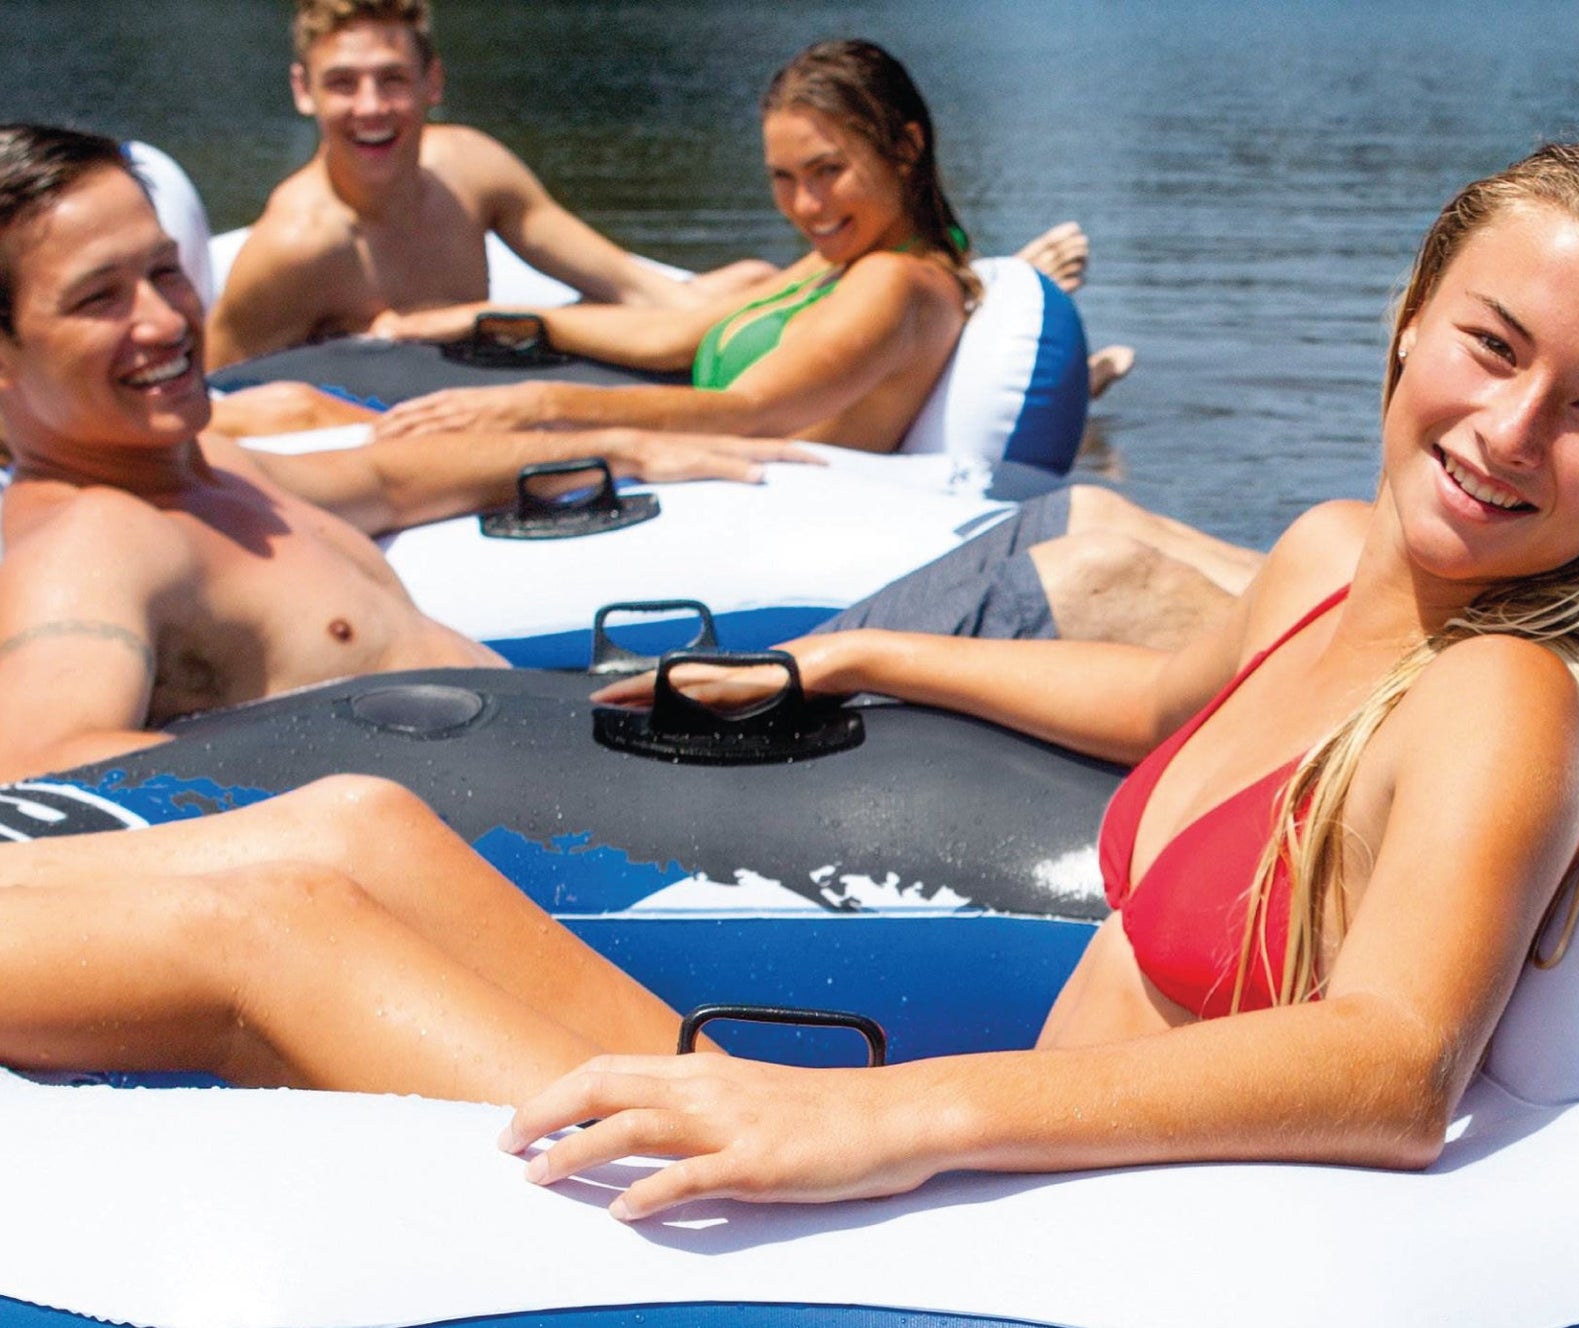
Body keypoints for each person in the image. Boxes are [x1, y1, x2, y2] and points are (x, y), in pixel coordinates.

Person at [0, 140, 1579, 1225]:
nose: (1508, 429)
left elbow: (1390, 1065)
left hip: (1012, 1244)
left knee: (270, 932)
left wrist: (881, 1115)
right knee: (355, 830)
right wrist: (856, 651)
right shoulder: (1331, 558)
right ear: (1409, 319)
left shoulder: (1497, 695)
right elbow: (1165, 712)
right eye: (1489, 345)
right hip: (966, 1166)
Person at [0, 124, 807, 783]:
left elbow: (386, 480)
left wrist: (620, 444)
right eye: (99, 298)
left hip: (575, 756)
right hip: (538, 842)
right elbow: (36, 774)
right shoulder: (88, 546)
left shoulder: (200, 469)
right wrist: (361, 821)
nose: (166, 321)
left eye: (165, 270)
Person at [365, 39, 1128, 453]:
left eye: (828, 172)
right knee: (318, 410)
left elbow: (750, 412)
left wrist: (534, 405)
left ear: (905, 147)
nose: (807, 207)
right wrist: (492, 319)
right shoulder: (843, 259)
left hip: (731, 473)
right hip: (684, 433)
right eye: (785, 179)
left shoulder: (892, 283)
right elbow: (675, 336)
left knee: (317, 418)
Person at [205, 0, 778, 369]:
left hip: (488, 374)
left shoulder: (472, 169)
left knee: (753, 277)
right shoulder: (296, 248)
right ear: (303, 92)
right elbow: (211, 392)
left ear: (432, 82)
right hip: (386, 431)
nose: (371, 107)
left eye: (393, 79)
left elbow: (631, 285)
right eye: (343, 84)